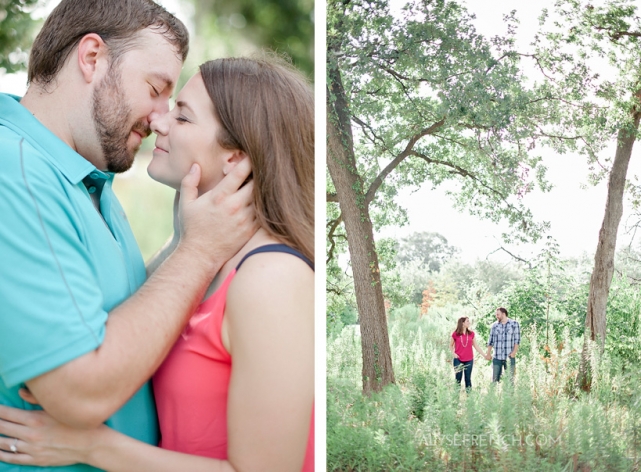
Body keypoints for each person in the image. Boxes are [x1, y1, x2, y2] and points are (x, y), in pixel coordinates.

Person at [0, 55, 314, 471]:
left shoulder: (272, 279)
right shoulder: (201, 259)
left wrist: (92, 446)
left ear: (235, 157)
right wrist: (65, 372)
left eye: (182, 117)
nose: (159, 123)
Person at [450, 317, 490, 390]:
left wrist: (484, 355)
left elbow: (476, 346)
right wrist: (454, 354)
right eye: (467, 321)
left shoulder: (471, 334)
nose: (469, 322)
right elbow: (450, 345)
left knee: (468, 379)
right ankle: (455, 399)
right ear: (463, 323)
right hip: (458, 359)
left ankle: (469, 399)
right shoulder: (455, 334)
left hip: (469, 360)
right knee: (458, 379)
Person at [485, 307, 521, 383]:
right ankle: (495, 395)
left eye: (498, 314)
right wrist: (488, 354)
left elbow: (517, 340)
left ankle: (510, 395)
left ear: (503, 314)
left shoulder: (514, 324)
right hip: (497, 357)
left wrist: (514, 353)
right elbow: (490, 341)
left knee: (510, 381)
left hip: (509, 357)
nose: (496, 316)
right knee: (495, 381)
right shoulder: (494, 326)